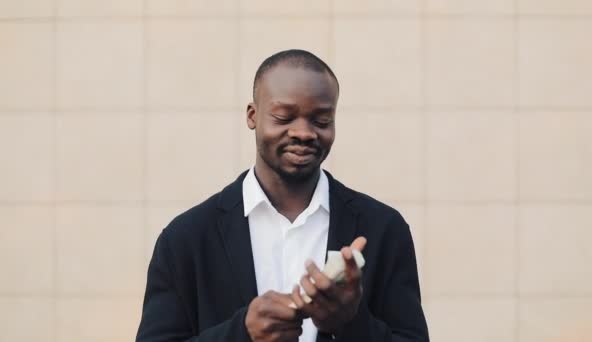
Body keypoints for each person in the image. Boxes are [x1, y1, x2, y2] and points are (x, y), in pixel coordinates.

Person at [136, 49, 429, 342]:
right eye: (284, 116)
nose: (303, 132)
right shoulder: (186, 238)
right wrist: (241, 333)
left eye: (322, 120)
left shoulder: (383, 229)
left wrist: (349, 323)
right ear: (252, 116)